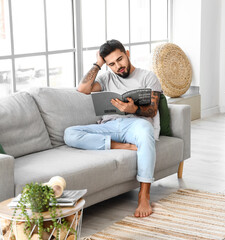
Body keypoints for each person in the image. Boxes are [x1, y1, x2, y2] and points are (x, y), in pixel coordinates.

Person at [64, 39, 161, 218]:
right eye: (112, 64)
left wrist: (135, 109)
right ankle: (120, 146)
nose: (118, 66)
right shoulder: (106, 77)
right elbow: (83, 89)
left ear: (127, 54)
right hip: (109, 126)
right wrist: (98, 64)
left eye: (120, 59)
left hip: (136, 124)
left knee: (146, 131)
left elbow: (153, 111)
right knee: (70, 133)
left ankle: (144, 195)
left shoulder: (148, 77)